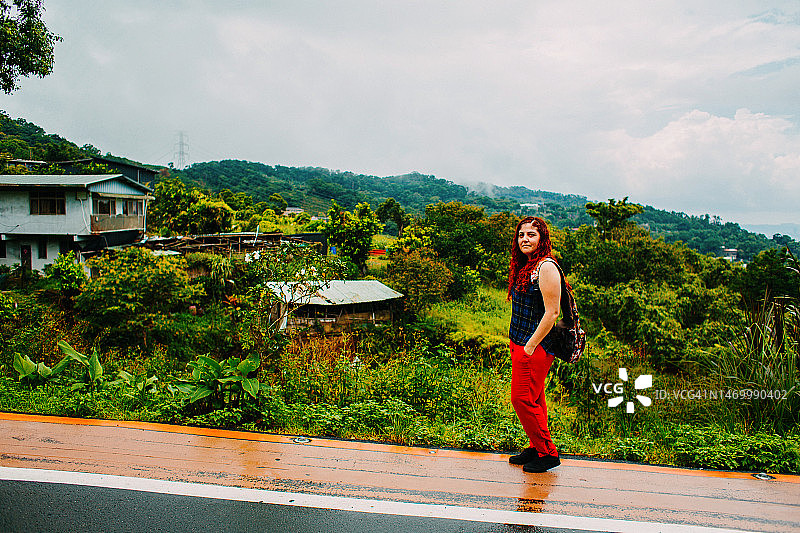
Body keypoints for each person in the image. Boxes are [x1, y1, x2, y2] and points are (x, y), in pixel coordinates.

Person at [507, 216, 562, 473]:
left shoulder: (546, 267)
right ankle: (536, 445)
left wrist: (529, 347)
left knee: (521, 399)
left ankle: (548, 453)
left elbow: (552, 312)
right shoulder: (527, 265)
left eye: (531, 235)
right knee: (535, 398)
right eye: (521, 235)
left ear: (542, 239)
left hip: (535, 346)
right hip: (519, 342)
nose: (525, 239)